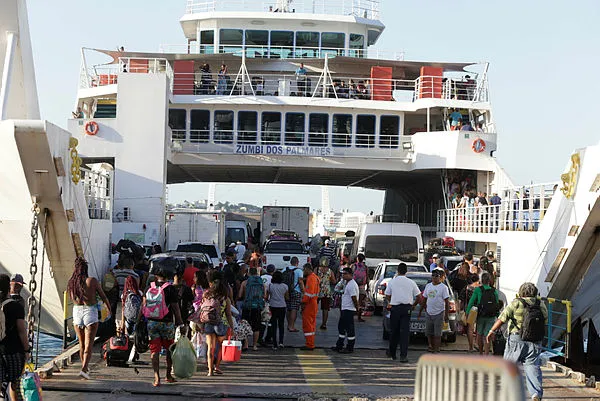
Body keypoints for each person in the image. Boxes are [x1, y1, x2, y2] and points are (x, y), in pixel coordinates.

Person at [486, 283, 548, 401]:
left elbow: (503, 318)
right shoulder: (540, 304)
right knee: (532, 366)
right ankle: (535, 394)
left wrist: (492, 331)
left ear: (521, 292)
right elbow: (545, 319)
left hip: (516, 338)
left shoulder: (516, 303)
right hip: (535, 340)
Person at [68, 257, 111, 380]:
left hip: (77, 312)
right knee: (89, 345)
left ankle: (84, 367)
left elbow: (73, 299)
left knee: (81, 344)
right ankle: (84, 368)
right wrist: (109, 309)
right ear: (86, 269)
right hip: (90, 311)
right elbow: (103, 296)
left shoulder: (72, 283)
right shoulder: (92, 281)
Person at [143, 268, 182, 387]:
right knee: (169, 349)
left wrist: (140, 320)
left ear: (156, 275)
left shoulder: (150, 286)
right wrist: (180, 323)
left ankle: (156, 377)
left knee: (154, 350)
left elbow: (143, 304)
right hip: (167, 323)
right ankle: (168, 375)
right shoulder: (170, 288)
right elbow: (175, 308)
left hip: (152, 322)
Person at [0, 274, 29, 401]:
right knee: (14, 382)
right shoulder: (16, 305)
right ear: (8, 288)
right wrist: (27, 349)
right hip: (13, 350)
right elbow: (21, 330)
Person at [385, 263, 422, 362]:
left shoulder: (392, 282)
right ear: (406, 271)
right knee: (405, 333)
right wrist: (413, 305)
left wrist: (390, 301)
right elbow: (419, 297)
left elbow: (387, 295)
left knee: (394, 331)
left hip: (395, 308)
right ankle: (403, 356)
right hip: (407, 309)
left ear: (398, 270)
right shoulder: (411, 282)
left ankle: (392, 353)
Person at [202, 270, 235, 376]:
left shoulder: (206, 295)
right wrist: (232, 327)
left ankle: (210, 371)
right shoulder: (225, 297)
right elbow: (229, 314)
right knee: (220, 347)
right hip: (221, 324)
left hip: (208, 323)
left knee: (210, 348)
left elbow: (202, 309)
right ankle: (217, 367)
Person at [467, 272, 499, 355]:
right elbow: (497, 304)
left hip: (480, 315)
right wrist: (498, 315)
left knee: (479, 334)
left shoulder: (478, 290)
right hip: (491, 316)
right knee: (487, 335)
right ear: (489, 281)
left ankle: (481, 353)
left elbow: (471, 302)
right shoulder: (494, 291)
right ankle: (486, 354)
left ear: (481, 280)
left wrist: (467, 312)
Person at [332, 267, 359, 353]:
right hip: (345, 309)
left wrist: (357, 308)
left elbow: (354, 298)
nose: (343, 275)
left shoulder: (351, 285)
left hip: (349, 309)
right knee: (341, 327)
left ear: (350, 275)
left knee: (349, 329)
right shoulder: (346, 283)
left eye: (345, 274)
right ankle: (339, 345)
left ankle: (349, 347)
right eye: (342, 274)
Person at [238, 267, 266, 351]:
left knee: (244, 325)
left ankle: (246, 344)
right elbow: (265, 296)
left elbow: (240, 295)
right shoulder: (262, 283)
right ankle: (254, 345)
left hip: (247, 306)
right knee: (256, 326)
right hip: (257, 306)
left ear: (249, 273)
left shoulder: (245, 282)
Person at [421, 269, 449, 353]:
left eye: (436, 276)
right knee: (429, 332)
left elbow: (447, 302)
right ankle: (430, 346)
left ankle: (437, 348)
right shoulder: (428, 286)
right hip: (429, 312)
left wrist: (446, 315)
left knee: (437, 333)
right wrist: (421, 310)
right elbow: (424, 299)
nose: (434, 277)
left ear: (440, 277)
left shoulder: (444, 288)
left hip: (439, 312)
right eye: (433, 275)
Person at [267, 271, 289, 349]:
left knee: (274, 325)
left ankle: (274, 344)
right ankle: (281, 342)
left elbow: (267, 297)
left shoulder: (270, 286)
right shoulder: (285, 286)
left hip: (272, 306)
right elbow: (287, 297)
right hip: (282, 306)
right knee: (281, 324)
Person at [300, 263, 319, 350]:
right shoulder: (315, 277)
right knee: (311, 324)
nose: (304, 271)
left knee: (307, 324)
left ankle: (309, 344)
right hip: (313, 303)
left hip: (309, 304)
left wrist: (303, 303)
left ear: (307, 269)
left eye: (304, 270)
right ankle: (310, 342)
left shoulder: (311, 278)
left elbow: (308, 293)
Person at [285, 256, 304, 332]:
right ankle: (291, 326)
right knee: (294, 309)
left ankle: (288, 325)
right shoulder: (299, 271)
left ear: (290, 262)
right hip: (296, 291)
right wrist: (303, 291)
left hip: (287, 291)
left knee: (288, 308)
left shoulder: (285, 269)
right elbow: (300, 282)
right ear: (297, 262)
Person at [317, 257, 336, 330]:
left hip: (317, 290)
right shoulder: (330, 271)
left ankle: (312, 321)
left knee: (314, 307)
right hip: (326, 291)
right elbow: (334, 281)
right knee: (325, 309)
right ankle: (324, 324)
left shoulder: (317, 269)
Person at [351, 254, 368, 322]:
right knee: (360, 302)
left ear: (357, 258)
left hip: (353, 285)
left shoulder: (353, 266)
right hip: (362, 286)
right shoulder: (365, 267)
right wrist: (368, 286)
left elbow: (350, 275)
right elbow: (367, 277)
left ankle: (351, 315)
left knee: (353, 300)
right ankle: (359, 316)